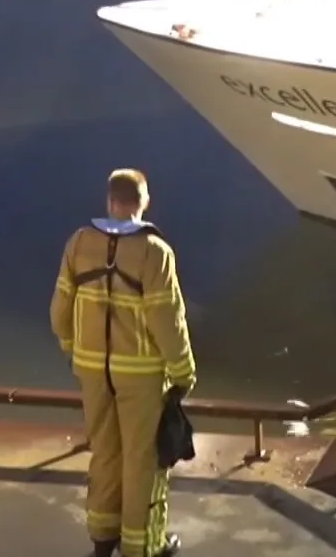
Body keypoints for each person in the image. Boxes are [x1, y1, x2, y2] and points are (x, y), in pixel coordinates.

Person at [51, 169, 195, 557]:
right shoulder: (154, 252)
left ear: (109, 200)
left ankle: (102, 539)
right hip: (141, 375)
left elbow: (60, 308)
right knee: (141, 459)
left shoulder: (79, 243)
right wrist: (184, 372)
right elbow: (167, 319)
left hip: (93, 371)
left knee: (104, 452)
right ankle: (142, 546)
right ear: (144, 201)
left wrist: (73, 348)